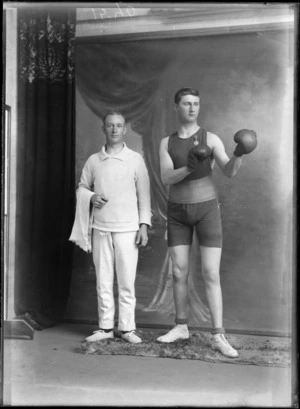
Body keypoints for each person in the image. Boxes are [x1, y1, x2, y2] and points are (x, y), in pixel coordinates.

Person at [157, 87, 257, 357]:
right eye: (187, 103)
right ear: (176, 107)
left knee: (211, 273)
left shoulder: (210, 138)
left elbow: (228, 171)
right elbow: (166, 178)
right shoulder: (166, 142)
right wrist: (189, 167)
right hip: (177, 211)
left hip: (206, 210)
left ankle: (218, 335)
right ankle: (180, 327)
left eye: (196, 104)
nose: (192, 108)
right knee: (179, 272)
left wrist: (239, 153)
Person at [73, 110, 151, 344]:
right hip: (101, 228)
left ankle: (127, 329)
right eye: (110, 125)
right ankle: (105, 327)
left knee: (126, 281)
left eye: (119, 125)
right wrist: (92, 196)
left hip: (127, 229)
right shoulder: (94, 160)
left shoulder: (135, 159)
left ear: (125, 130)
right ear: (104, 129)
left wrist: (143, 225)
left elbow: (144, 195)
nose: (115, 129)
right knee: (103, 279)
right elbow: (81, 188)